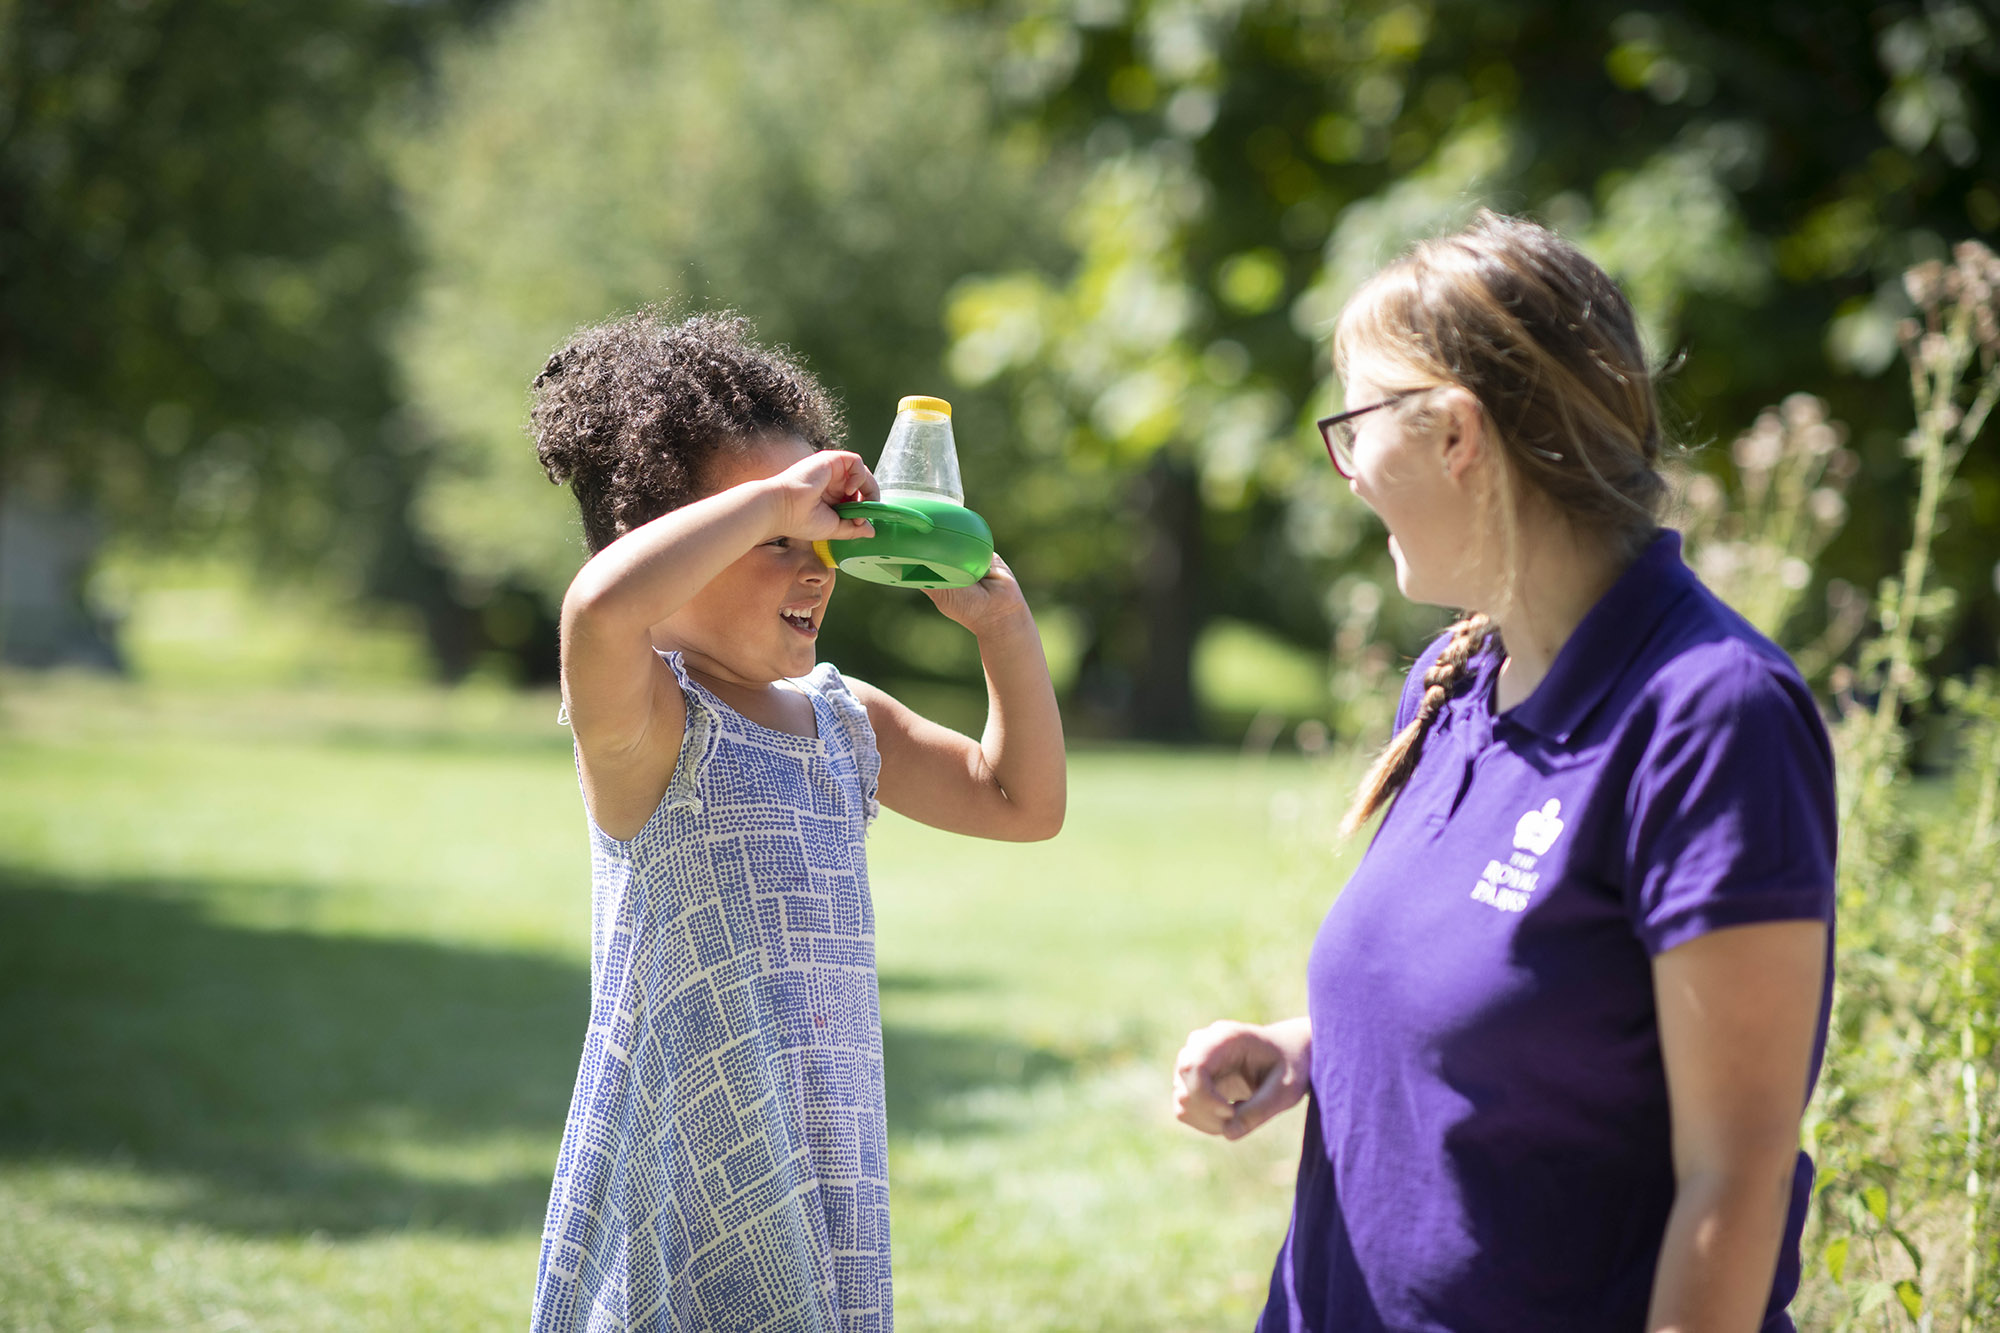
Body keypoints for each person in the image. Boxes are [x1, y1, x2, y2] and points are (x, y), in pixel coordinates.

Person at [1172, 212, 1836, 1333]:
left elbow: (1735, 1180)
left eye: (1352, 424)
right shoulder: (1457, 674)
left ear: (1453, 436)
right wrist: (1311, 1049)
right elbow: (1534, 1015)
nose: (1343, 473)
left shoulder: (1712, 714)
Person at [527, 311, 1065, 1332]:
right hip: (681, 1179)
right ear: (663, 548)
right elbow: (598, 611)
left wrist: (1003, 626)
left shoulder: (841, 722)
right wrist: (778, 494)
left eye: (816, 539)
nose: (816, 565)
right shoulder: (647, 723)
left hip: (817, 1158)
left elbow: (1022, 803)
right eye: (774, 541)